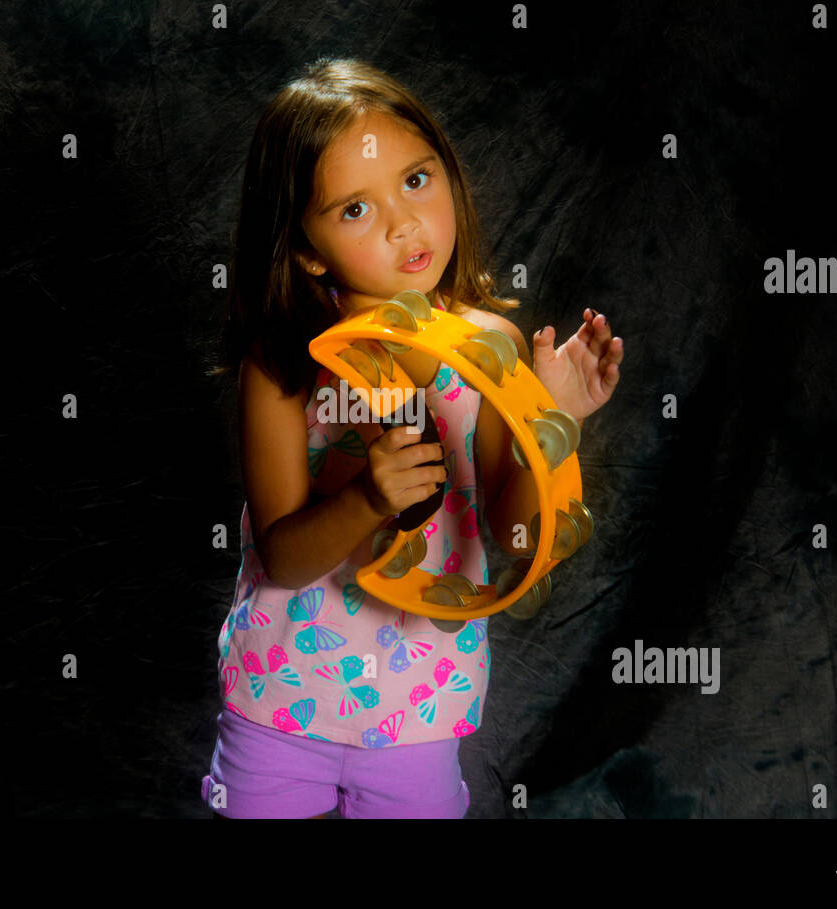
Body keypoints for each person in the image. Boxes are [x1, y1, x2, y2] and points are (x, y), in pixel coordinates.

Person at [202, 58, 623, 818]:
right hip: (279, 698)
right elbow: (286, 553)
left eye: (417, 181)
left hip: (418, 712)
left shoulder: (488, 349)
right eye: (354, 209)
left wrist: (553, 423)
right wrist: (369, 494)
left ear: (448, 174)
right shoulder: (282, 363)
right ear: (305, 247)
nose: (403, 223)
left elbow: (513, 533)